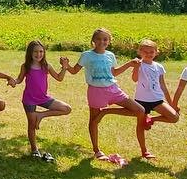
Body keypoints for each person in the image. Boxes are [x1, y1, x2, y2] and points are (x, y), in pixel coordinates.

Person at [61, 28, 146, 165]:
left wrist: (130, 64)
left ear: (109, 41)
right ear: (93, 41)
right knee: (94, 120)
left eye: (105, 39)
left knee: (140, 110)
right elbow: (74, 71)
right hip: (95, 91)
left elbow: (114, 73)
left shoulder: (110, 55)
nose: (102, 41)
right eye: (99, 39)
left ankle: (106, 111)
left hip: (113, 89)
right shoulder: (87, 55)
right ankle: (97, 150)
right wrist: (66, 66)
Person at [12, 39, 72, 162]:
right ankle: (34, 150)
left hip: (43, 98)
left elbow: (59, 78)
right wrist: (14, 82)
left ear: (44, 53)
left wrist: (64, 68)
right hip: (29, 100)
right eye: (35, 52)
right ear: (30, 53)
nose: (38, 54)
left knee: (67, 108)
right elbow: (19, 79)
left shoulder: (46, 66)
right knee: (32, 125)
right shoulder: (26, 66)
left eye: (41, 51)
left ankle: (41, 115)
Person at [130, 38, 180, 160]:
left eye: (151, 52)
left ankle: (151, 119)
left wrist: (171, 103)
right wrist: (136, 67)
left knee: (174, 117)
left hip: (157, 99)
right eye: (145, 52)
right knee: (140, 126)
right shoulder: (139, 64)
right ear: (140, 52)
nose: (148, 54)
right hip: (141, 100)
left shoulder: (159, 67)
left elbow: (163, 85)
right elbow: (134, 79)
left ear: (156, 52)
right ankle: (144, 151)